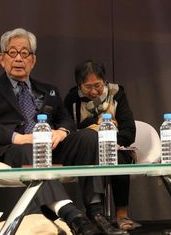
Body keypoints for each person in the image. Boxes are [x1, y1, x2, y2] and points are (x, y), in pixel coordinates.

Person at [0, 28, 123, 235]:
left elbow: (66, 120)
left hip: (50, 147)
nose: (18, 59)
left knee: (89, 136)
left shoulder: (48, 89)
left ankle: (95, 212)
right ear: (2, 58)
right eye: (12, 53)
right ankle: (73, 217)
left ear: (32, 60)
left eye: (24, 53)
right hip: (14, 150)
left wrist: (61, 132)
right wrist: (22, 138)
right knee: (30, 150)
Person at [64, 60, 137, 231]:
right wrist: (91, 122)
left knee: (118, 158)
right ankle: (97, 213)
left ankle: (121, 213)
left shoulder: (117, 94)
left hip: (115, 145)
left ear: (105, 81)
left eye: (98, 85)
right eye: (88, 87)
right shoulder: (72, 98)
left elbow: (129, 130)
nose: (94, 91)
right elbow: (68, 129)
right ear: (79, 85)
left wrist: (114, 142)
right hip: (86, 149)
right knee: (90, 153)